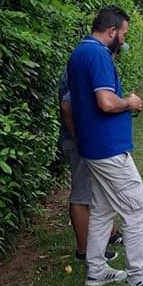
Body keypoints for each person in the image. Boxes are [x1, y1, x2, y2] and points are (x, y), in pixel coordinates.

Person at [67, 5, 143, 286]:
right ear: (112, 31)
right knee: (136, 206)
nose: (123, 40)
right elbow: (106, 102)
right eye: (123, 34)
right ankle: (138, 275)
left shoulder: (80, 52)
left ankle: (97, 271)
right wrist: (130, 103)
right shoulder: (98, 55)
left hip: (94, 147)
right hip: (107, 149)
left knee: (102, 209)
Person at [58, 70, 123, 263]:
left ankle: (109, 234)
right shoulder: (84, 66)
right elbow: (66, 104)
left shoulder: (84, 64)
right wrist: (78, 138)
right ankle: (85, 250)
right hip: (81, 143)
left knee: (99, 188)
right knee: (82, 194)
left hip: (88, 141)